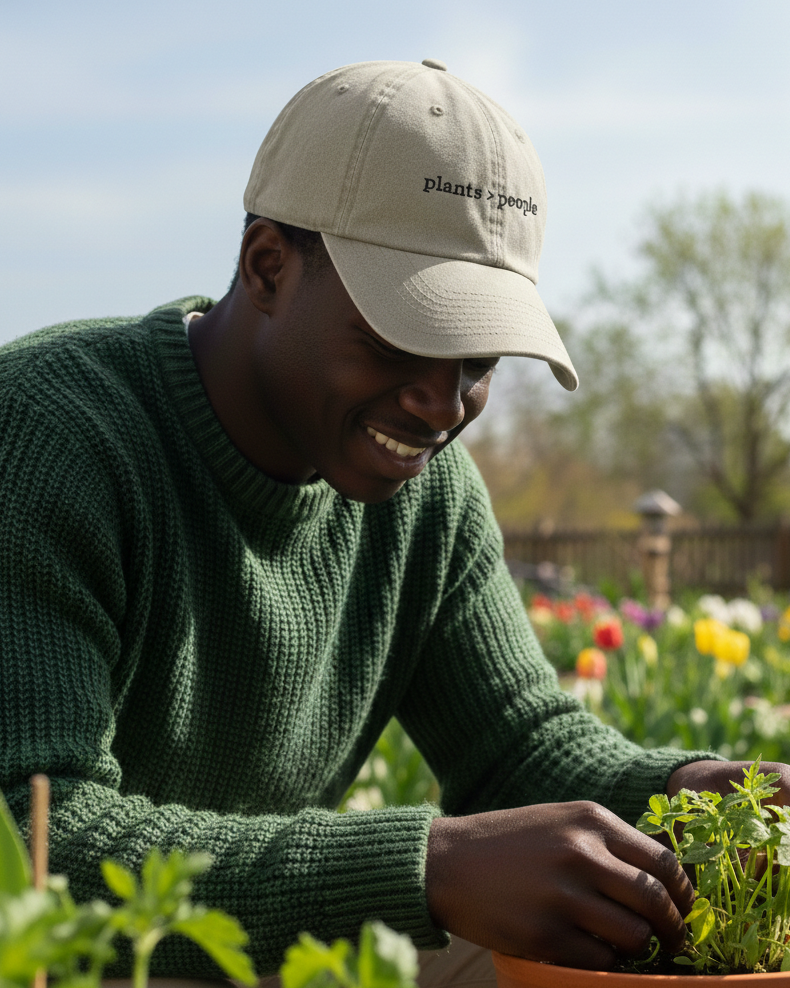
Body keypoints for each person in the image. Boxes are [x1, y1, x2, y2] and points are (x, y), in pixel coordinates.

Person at [1, 58, 788, 985]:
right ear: (267, 266)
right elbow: (31, 839)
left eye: (478, 360)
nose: (440, 404)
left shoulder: (428, 493)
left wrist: (684, 794)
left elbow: (516, 747)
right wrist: (426, 869)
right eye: (402, 337)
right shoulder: (52, 437)